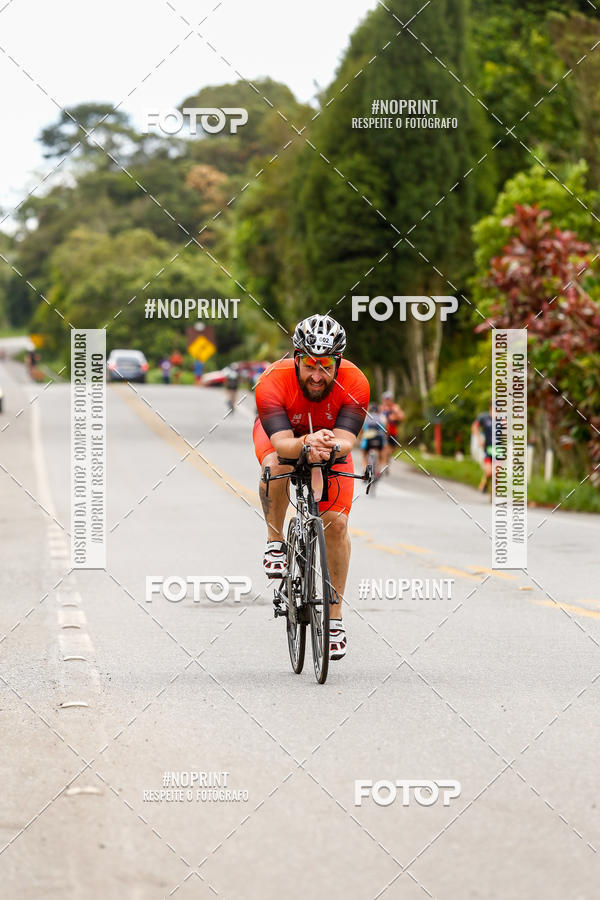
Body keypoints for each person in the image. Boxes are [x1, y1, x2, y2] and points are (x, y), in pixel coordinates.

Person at [254, 314, 369, 661]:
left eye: (325, 366)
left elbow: (348, 441)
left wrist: (330, 446)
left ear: (338, 362)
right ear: (296, 357)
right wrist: (306, 441)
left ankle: (334, 621)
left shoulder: (357, 382)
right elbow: (282, 444)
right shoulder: (272, 381)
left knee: (337, 524)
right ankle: (275, 543)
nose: (317, 375)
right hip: (285, 438)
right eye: (309, 364)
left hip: (330, 441)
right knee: (276, 465)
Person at [472, 404, 496, 493]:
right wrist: (479, 439)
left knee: (496, 474)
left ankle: (493, 494)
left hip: (499, 450)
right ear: (490, 408)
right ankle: (485, 482)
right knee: (489, 472)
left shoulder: (503, 419)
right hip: (488, 448)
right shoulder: (484, 417)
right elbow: (474, 426)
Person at [380, 391, 405, 472]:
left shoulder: (395, 407)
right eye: (386, 399)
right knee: (385, 448)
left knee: (392, 449)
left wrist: (395, 416)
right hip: (383, 431)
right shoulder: (381, 408)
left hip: (392, 431)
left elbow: (402, 416)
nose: (387, 400)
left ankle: (386, 461)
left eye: (389, 399)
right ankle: (384, 465)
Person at [359, 402, 387, 475]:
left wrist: (360, 439)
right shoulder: (382, 417)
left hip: (368, 439)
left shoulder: (365, 417)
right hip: (379, 438)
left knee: (364, 454)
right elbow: (386, 430)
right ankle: (379, 469)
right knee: (382, 453)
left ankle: (365, 469)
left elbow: (361, 431)